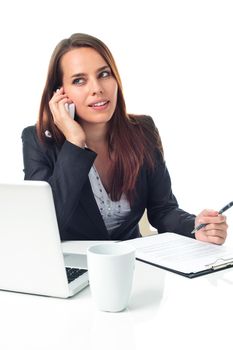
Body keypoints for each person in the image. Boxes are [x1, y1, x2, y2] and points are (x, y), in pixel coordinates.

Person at [21, 33, 228, 244]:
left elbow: (162, 209)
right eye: (79, 80)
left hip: (132, 265)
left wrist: (196, 227)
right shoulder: (38, 141)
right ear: (60, 93)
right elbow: (44, 224)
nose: (97, 88)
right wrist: (74, 141)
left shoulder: (142, 131)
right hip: (69, 270)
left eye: (103, 74)